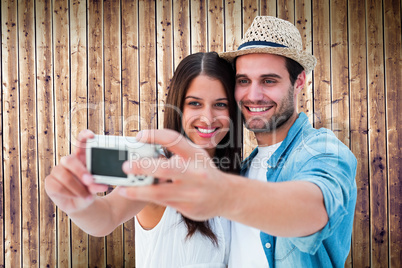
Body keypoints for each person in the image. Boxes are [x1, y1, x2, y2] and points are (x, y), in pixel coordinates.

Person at [119, 16, 357, 267]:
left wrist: (222, 194)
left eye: (269, 80)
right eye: (243, 81)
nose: (253, 95)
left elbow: (315, 209)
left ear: (299, 82)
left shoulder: (321, 150)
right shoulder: (240, 169)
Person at [45, 52, 242, 267]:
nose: (208, 117)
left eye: (220, 105)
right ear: (178, 108)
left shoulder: (239, 177)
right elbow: (108, 215)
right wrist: (78, 205)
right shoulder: (160, 170)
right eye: (195, 103)